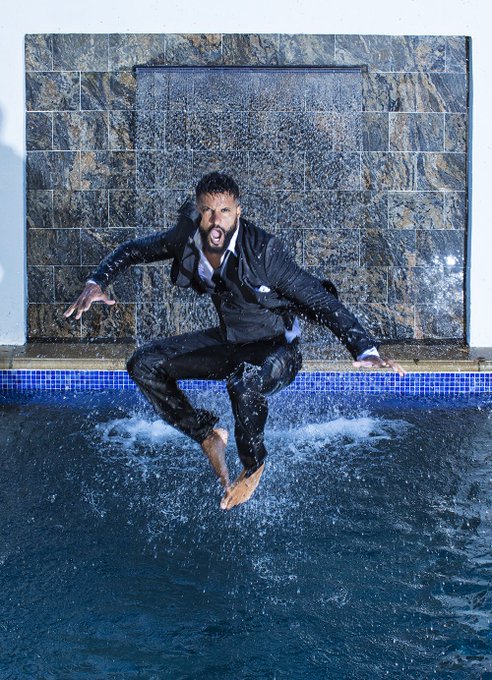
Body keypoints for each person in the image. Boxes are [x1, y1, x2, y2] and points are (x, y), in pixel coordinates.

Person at [64, 172, 405, 510]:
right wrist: (98, 282)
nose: (215, 220)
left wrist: (365, 348)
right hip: (231, 341)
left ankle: (254, 465)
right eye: (208, 211)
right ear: (198, 211)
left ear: (238, 211)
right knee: (143, 364)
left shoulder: (264, 251)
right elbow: (132, 250)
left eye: (224, 211)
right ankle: (206, 434)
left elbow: (320, 300)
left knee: (244, 383)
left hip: (277, 350)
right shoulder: (187, 236)